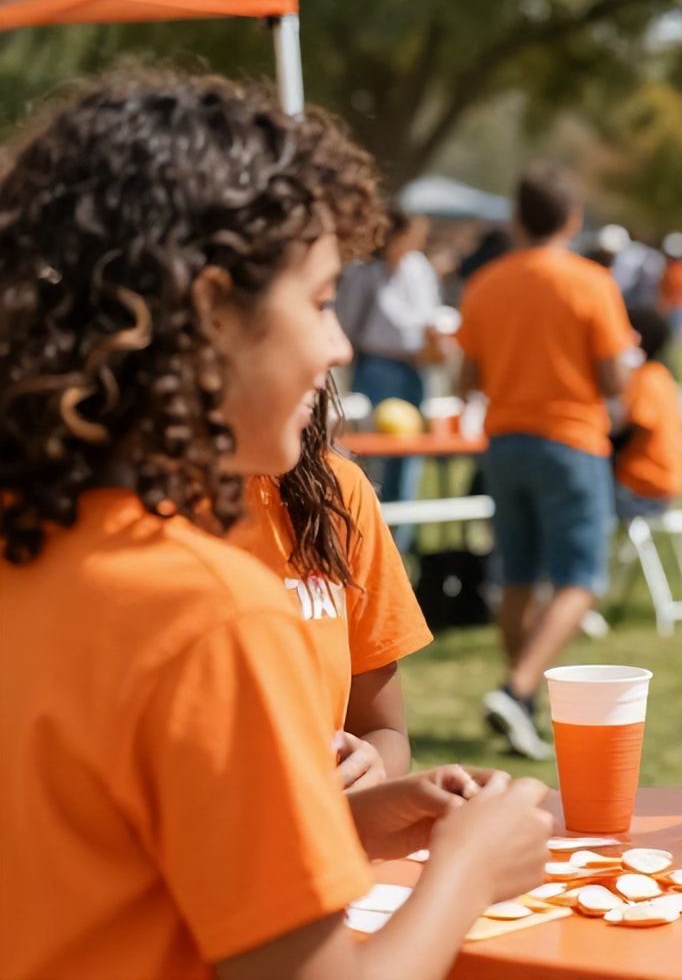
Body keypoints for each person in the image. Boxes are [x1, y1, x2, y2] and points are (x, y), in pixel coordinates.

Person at [0, 70, 550, 980]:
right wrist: (463, 873)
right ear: (213, 310)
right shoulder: (208, 613)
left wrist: (341, 823)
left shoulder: (41, 544)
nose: (339, 347)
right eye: (325, 301)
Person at [457, 164, 635, 760]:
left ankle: (521, 702)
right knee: (581, 580)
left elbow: (465, 377)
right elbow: (613, 376)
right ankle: (517, 689)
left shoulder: (484, 284)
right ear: (574, 219)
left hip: (505, 441)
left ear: (515, 219)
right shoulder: (589, 282)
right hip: (571, 439)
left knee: (517, 575)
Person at [231, 385, 434, 787]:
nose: (338, 346)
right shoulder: (136, 514)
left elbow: (386, 734)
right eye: (312, 320)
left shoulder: (335, 490)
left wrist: (366, 767)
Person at [336, 206, 445, 519]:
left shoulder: (418, 269)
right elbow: (348, 322)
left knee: (409, 458)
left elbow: (428, 315)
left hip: (415, 367)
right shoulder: (366, 272)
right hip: (377, 368)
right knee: (373, 456)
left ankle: (400, 534)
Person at [613, 306, 682, 522]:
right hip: (667, 485)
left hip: (644, 487)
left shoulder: (644, 379)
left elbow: (633, 429)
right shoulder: (661, 376)